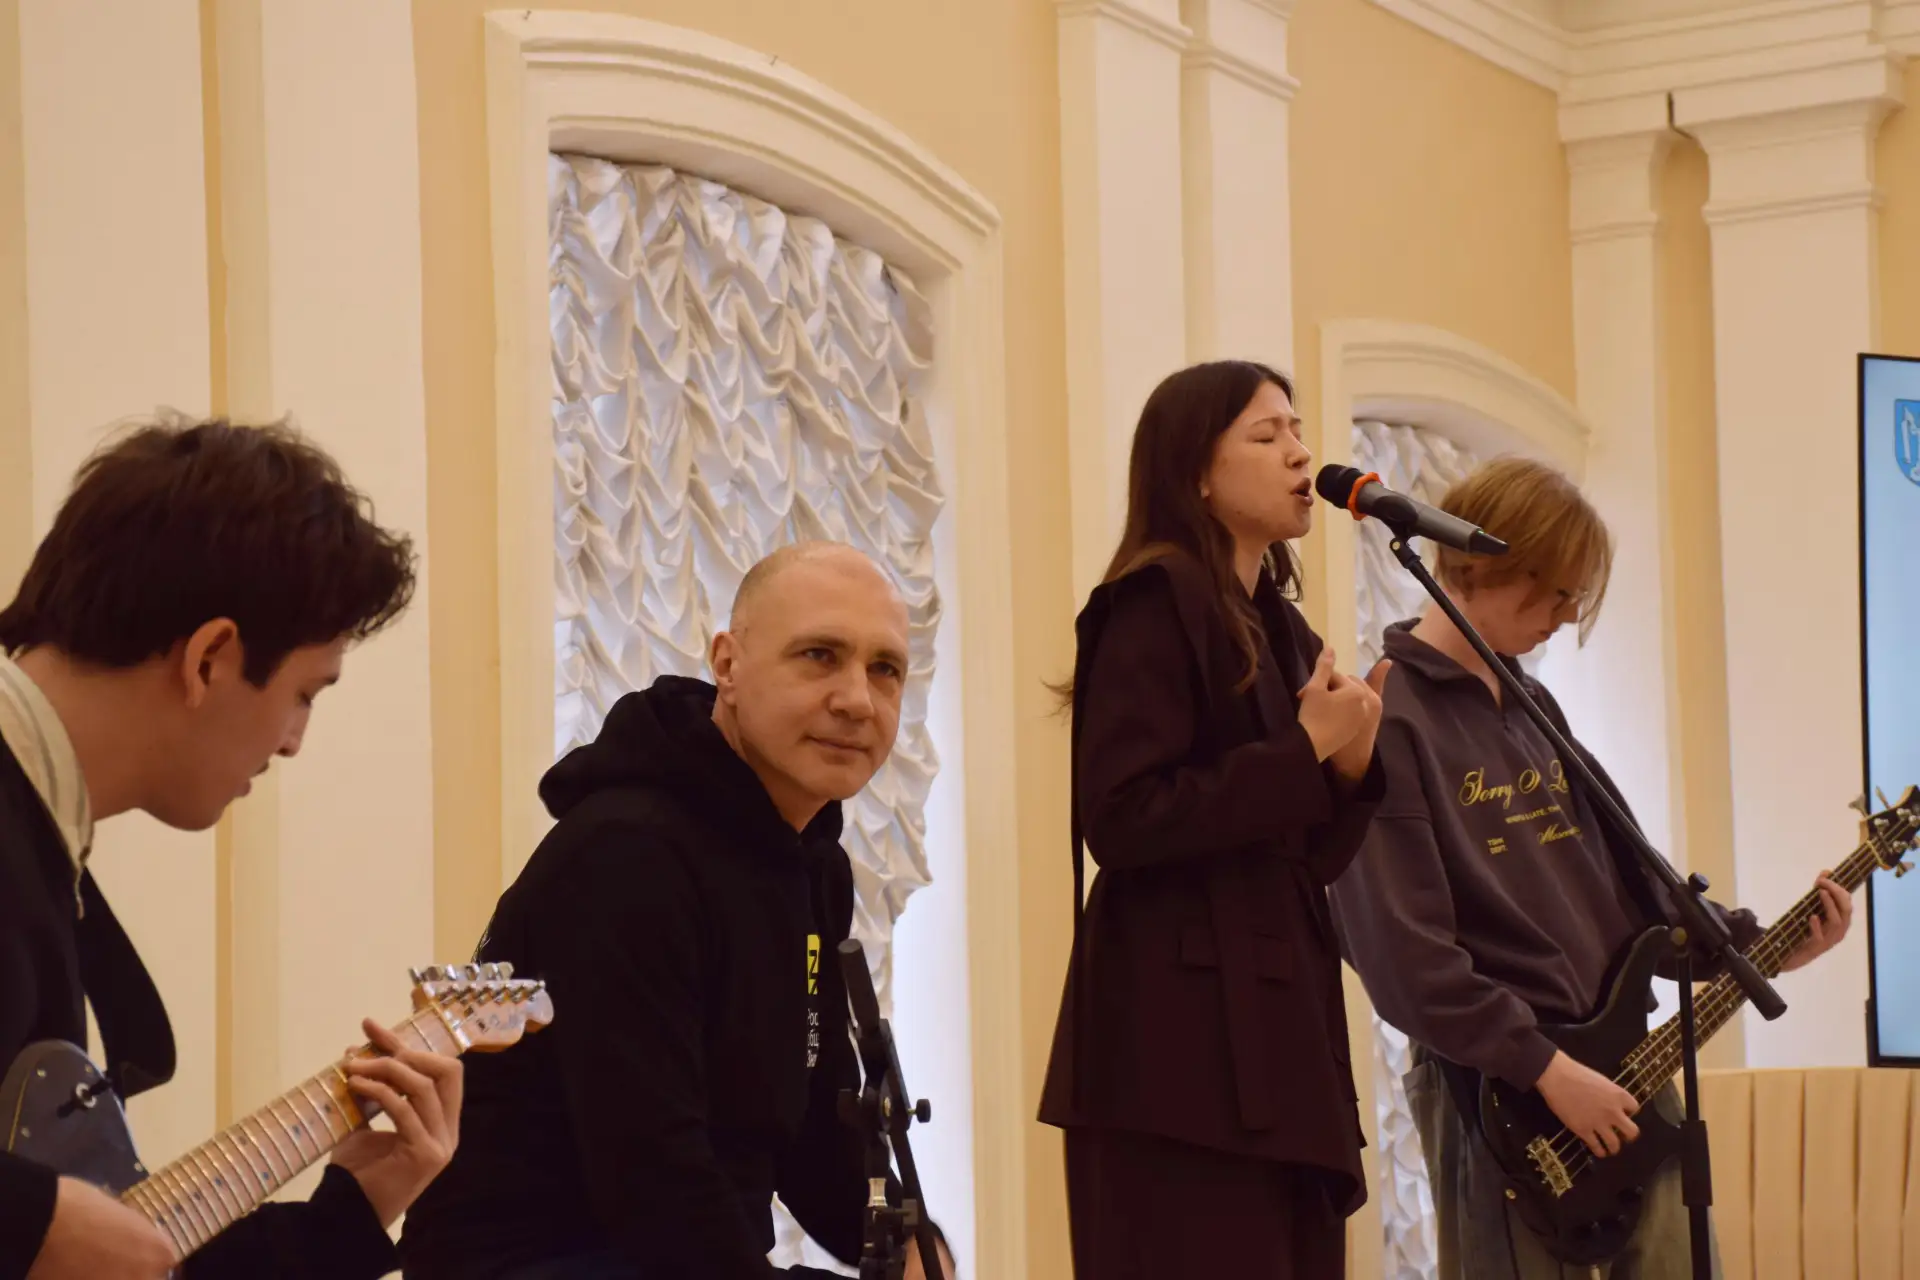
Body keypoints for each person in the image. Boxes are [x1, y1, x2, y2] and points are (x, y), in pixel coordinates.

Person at [1328, 456, 1852, 1280]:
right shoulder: (1390, 716)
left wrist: (1760, 948)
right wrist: (1543, 1067)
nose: (1568, 617)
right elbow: (1402, 956)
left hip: (1620, 1062)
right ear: (1485, 564)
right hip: (1501, 1088)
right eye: (1556, 592)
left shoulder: (1532, 707)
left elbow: (1631, 890)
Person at [399, 541, 952, 1280]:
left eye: (885, 669)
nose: (858, 699)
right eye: (820, 655)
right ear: (728, 664)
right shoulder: (626, 854)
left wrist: (916, 1250)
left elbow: (814, 1123)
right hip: (538, 1258)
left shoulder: (813, 865)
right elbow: (650, 1175)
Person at [0, 417, 465, 1280]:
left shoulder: (42, 849)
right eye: (304, 694)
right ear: (211, 657)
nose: (292, 742)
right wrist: (26, 1221)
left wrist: (351, 1213)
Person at [1036, 360, 1390, 1279]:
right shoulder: (1153, 600)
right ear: (1195, 471)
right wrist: (1304, 750)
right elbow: (1123, 819)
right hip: (1175, 1058)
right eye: (1267, 435)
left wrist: (1351, 769)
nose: (1300, 453)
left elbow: (1303, 861)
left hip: (1281, 1044)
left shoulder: (1283, 629)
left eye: (1299, 431)